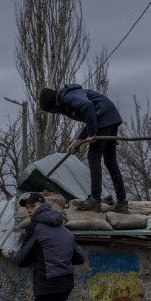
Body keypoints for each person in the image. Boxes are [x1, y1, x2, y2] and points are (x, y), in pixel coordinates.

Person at [38, 84, 129, 214]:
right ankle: (121, 202)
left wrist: (91, 133)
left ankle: (95, 200)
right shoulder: (67, 100)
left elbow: (88, 107)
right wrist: (78, 141)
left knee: (93, 156)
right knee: (110, 161)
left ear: (51, 103)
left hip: (104, 116)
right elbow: (90, 117)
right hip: (109, 116)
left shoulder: (67, 96)